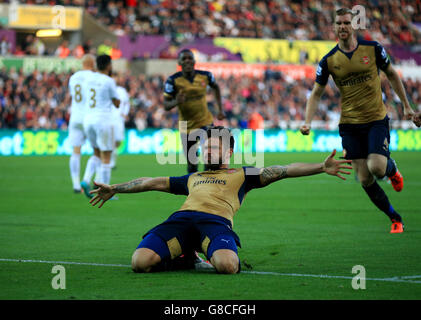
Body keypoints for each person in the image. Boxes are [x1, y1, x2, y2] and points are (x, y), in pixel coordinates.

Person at [88, 126, 352, 274]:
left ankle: (193, 252)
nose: (208, 150)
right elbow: (150, 182)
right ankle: (184, 255)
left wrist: (320, 166)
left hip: (215, 224)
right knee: (139, 263)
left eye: (215, 146)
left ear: (229, 151)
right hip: (180, 221)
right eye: (206, 146)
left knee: (228, 266)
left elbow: (284, 170)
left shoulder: (243, 175)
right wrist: (115, 188)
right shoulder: (192, 177)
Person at [299, 8, 421, 234]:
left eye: (346, 22)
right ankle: (395, 218)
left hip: (375, 119)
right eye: (339, 23)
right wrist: (307, 121)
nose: (343, 26)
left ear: (353, 25)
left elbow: (392, 74)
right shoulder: (328, 61)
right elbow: (316, 93)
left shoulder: (373, 49)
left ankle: (392, 170)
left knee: (377, 167)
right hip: (349, 125)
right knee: (364, 178)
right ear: (334, 27)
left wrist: (406, 105)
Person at [163, 49, 225, 174]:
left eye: (190, 58)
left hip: (205, 122)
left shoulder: (206, 76)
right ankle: (193, 189)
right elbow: (166, 105)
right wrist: (176, 101)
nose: (187, 61)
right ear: (179, 62)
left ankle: (208, 189)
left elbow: (216, 87)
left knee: (210, 159)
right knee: (192, 163)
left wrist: (220, 109)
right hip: (185, 126)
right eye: (184, 58)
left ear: (194, 61)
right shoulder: (173, 81)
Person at [80, 55, 120, 198]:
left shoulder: (88, 79)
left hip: (88, 119)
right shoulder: (109, 81)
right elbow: (116, 103)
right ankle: (106, 191)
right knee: (106, 157)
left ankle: (85, 179)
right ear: (109, 65)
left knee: (96, 153)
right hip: (103, 120)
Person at [67, 54, 95, 193]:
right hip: (89, 117)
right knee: (99, 151)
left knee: (76, 151)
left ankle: (76, 184)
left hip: (75, 117)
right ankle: (86, 180)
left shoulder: (73, 77)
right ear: (92, 64)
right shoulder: (94, 77)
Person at [110, 73, 131, 169]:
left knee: (117, 141)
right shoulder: (107, 90)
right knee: (110, 140)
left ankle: (111, 160)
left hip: (119, 119)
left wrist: (125, 113)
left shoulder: (122, 91)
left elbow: (127, 104)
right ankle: (110, 162)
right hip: (109, 119)